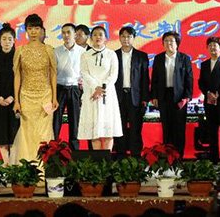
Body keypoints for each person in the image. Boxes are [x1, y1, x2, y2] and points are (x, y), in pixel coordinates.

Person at [12, 14, 57, 162]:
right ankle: (27, 165)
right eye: (30, 28)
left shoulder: (48, 49)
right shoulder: (20, 50)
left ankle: (43, 166)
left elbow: (53, 74)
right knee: (27, 131)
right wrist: (16, 101)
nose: (33, 32)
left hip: (45, 96)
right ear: (26, 30)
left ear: (42, 30)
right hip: (26, 96)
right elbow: (17, 76)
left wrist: (54, 98)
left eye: (36, 28)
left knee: (44, 132)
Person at [77, 26, 122, 150]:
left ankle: (106, 160)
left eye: (101, 34)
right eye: (95, 34)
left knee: (108, 132)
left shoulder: (111, 54)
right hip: (91, 94)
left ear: (106, 38)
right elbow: (84, 73)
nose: (98, 37)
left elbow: (113, 75)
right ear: (91, 38)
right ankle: (97, 160)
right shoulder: (85, 55)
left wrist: (102, 88)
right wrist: (95, 88)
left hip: (107, 95)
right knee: (94, 132)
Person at [151, 31, 193, 157]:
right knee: (166, 127)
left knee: (179, 128)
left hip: (179, 97)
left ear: (177, 43)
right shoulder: (159, 58)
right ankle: (167, 157)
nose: (168, 43)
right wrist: (154, 96)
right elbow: (155, 79)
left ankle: (179, 157)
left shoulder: (184, 58)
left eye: (171, 41)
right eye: (166, 41)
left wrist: (187, 97)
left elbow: (189, 78)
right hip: (164, 96)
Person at [115, 26, 150, 158]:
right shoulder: (113, 55)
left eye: (129, 37)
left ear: (134, 38)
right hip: (118, 97)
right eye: (123, 37)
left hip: (135, 97)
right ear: (119, 38)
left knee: (136, 128)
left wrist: (145, 99)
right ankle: (120, 156)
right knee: (119, 128)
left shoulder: (142, 56)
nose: (126, 39)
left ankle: (136, 157)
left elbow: (145, 79)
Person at [0, 23, 19, 165]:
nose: (7, 42)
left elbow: (21, 79)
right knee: (1, 132)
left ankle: (13, 163)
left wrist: (13, 96)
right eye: (4, 39)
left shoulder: (18, 58)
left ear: (14, 41)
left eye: (10, 39)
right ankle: (6, 163)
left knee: (14, 131)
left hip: (15, 100)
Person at [53, 23, 85, 150]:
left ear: (75, 34)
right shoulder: (56, 51)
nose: (66, 35)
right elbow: (52, 72)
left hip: (75, 89)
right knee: (55, 122)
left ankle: (74, 151)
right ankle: (53, 150)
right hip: (59, 88)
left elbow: (85, 72)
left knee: (75, 122)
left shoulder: (82, 52)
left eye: (69, 32)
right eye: (63, 32)